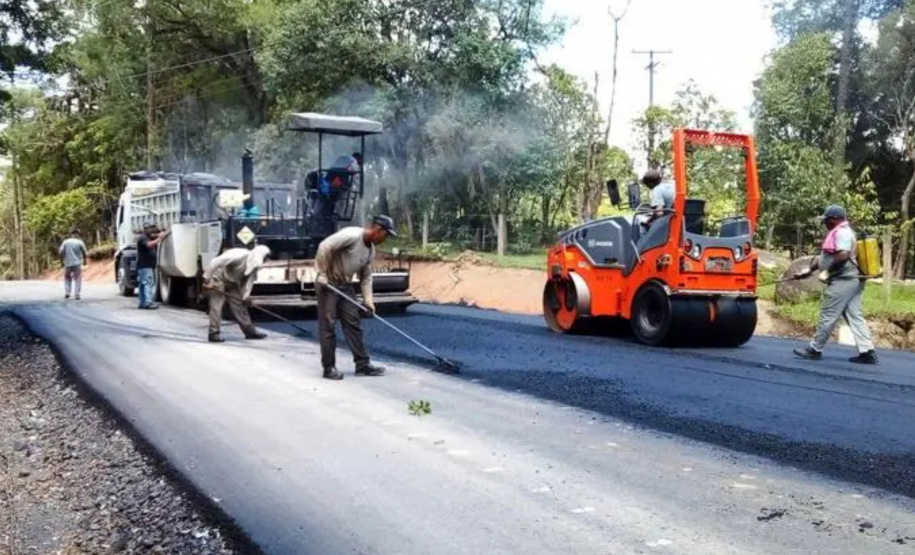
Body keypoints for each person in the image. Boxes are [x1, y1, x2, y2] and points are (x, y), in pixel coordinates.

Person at [314, 215, 396, 380]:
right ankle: (329, 368)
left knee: (353, 324)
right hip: (328, 283)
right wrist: (321, 273)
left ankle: (362, 365)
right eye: (386, 235)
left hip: (345, 285)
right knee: (328, 326)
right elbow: (325, 246)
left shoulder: (370, 250)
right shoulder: (351, 235)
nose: (385, 239)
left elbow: (366, 277)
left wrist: (368, 301)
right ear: (378, 229)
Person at [793, 205, 878, 364]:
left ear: (835, 219)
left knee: (828, 314)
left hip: (843, 281)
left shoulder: (842, 233)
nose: (825, 223)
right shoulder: (838, 233)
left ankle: (815, 349)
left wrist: (827, 271)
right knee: (855, 316)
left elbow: (843, 255)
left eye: (827, 220)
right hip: (851, 281)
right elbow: (826, 257)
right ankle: (867, 351)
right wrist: (808, 270)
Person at [202, 245, 271, 343]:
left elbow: (248, 283)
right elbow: (214, 262)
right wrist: (207, 279)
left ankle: (249, 331)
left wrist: (245, 297)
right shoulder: (239, 256)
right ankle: (214, 333)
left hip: (232, 281)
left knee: (239, 305)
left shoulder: (254, 266)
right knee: (216, 306)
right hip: (217, 277)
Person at [136, 221, 170, 309]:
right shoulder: (142, 238)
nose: (152, 231)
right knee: (148, 283)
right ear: (146, 229)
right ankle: (148, 302)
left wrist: (162, 234)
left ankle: (143, 302)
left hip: (144, 266)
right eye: (150, 228)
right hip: (145, 266)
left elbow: (155, 236)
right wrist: (160, 239)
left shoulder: (147, 237)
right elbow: (149, 245)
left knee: (143, 284)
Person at [59, 227, 87, 300]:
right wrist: (85, 261)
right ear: (77, 234)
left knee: (67, 278)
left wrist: (61, 262)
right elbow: (84, 252)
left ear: (71, 234)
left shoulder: (65, 242)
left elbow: (61, 252)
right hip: (77, 263)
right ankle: (77, 294)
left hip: (67, 263)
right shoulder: (80, 242)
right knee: (77, 279)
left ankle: (67, 292)